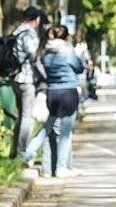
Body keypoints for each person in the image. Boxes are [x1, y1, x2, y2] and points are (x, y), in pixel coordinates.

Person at [35, 24, 86, 178]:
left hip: (51, 91)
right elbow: (79, 68)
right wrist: (78, 54)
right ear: (65, 37)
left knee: (49, 130)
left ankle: (46, 167)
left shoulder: (45, 51)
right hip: (67, 92)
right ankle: (62, 167)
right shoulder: (66, 51)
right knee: (64, 132)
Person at [2, 7, 44, 166]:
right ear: (37, 19)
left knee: (21, 116)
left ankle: (15, 151)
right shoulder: (29, 34)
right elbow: (35, 57)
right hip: (26, 79)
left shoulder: (17, 31)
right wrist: (44, 75)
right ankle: (22, 153)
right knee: (27, 117)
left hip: (15, 78)